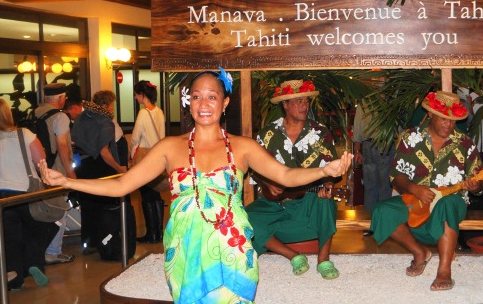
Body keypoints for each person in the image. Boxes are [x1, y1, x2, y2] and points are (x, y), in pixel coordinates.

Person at [40, 70, 352, 303]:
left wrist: (323, 170)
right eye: (197, 96)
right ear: (189, 101)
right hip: (186, 251)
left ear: (225, 102)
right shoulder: (169, 147)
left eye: (212, 96)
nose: (204, 103)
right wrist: (68, 181)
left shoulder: (241, 146)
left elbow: (285, 176)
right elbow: (122, 185)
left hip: (234, 251)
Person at [370, 90, 483, 291]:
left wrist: (477, 185)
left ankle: (444, 271)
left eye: (452, 120)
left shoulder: (465, 143)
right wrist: (414, 188)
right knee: (382, 211)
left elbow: (480, 181)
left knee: (447, 205)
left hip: (452, 201)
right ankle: (420, 252)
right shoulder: (410, 138)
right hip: (417, 200)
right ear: (430, 114)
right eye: (443, 118)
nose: (448, 125)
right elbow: (396, 176)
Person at [246, 79, 342, 280]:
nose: (304, 106)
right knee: (245, 217)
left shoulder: (320, 133)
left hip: (309, 203)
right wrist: (267, 183)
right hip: (275, 205)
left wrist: (328, 185)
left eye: (306, 101)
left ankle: (323, 258)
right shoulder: (268, 134)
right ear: (285, 104)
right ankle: (292, 255)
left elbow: (332, 170)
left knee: (325, 201)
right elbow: (254, 168)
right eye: (298, 101)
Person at [0, 98, 59, 289]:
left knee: (8, 237)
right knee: (39, 226)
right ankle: (33, 263)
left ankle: (13, 276)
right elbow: (41, 160)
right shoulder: (25, 134)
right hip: (25, 192)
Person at [71, 90, 127, 255]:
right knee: (105, 207)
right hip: (102, 167)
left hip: (83, 165)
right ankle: (105, 241)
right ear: (109, 105)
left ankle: (88, 242)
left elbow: (74, 138)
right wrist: (120, 169)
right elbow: (104, 152)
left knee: (88, 206)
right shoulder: (105, 122)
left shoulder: (82, 117)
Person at [35, 83, 76, 265]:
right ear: (60, 98)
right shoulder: (60, 117)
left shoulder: (33, 113)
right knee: (60, 209)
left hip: (37, 169)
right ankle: (53, 251)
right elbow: (62, 146)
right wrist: (70, 172)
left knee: (40, 210)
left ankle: (40, 249)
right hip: (56, 169)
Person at [130, 80, 167, 244]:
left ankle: (151, 233)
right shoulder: (159, 111)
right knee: (155, 192)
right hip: (158, 155)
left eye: (137, 95)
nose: (136, 97)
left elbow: (135, 138)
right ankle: (158, 231)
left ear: (142, 95)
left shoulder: (143, 114)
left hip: (145, 156)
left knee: (146, 194)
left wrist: (131, 155)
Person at [353, 102, 394, 217]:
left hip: (368, 146)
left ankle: (369, 221)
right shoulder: (390, 100)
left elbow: (357, 127)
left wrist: (357, 151)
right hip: (385, 145)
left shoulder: (365, 101)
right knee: (384, 187)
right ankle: (382, 222)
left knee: (370, 187)